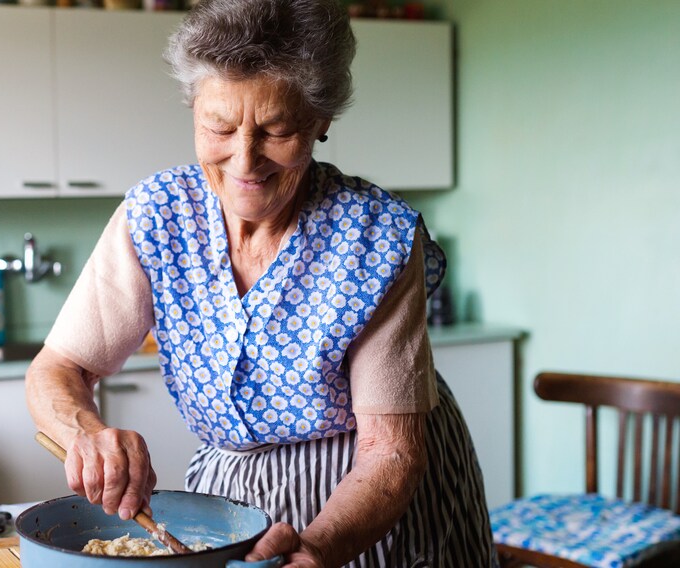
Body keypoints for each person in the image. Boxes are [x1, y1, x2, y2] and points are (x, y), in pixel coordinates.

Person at [25, 0, 496, 565]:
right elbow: (58, 368)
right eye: (218, 127)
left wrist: (320, 547)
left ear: (321, 121)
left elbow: (388, 452)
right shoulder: (156, 215)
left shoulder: (376, 238)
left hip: (374, 503)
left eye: (277, 130)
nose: (244, 161)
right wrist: (86, 431)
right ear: (193, 112)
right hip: (236, 494)